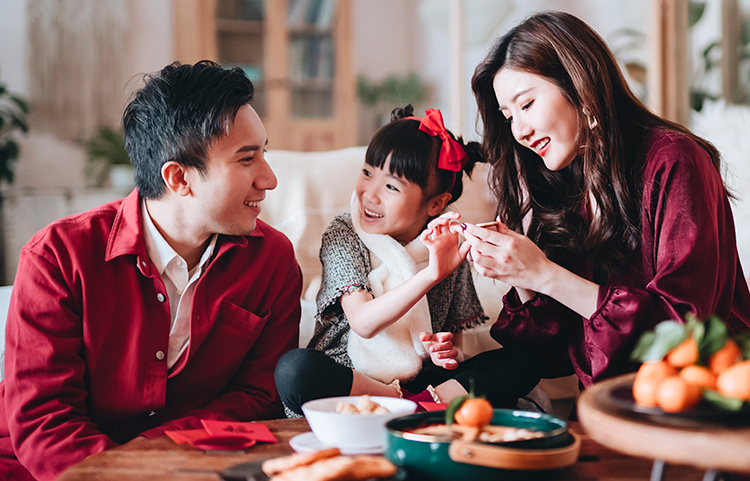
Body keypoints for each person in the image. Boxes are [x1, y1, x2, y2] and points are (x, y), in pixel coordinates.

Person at [0, 60, 302, 480]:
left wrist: (156, 452)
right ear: (179, 178)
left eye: (264, 153)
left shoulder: (272, 260)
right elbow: (45, 421)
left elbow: (257, 395)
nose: (268, 179)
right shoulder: (56, 257)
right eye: (247, 159)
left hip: (191, 464)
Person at [465, 11, 750, 388]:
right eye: (508, 116)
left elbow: (681, 333)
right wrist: (522, 276)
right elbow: (549, 356)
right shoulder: (564, 179)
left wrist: (544, 274)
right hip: (609, 406)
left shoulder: (675, 160)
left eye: (527, 104)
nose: (519, 130)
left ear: (579, 84)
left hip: (704, 399)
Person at [275, 105, 543, 416]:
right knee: (295, 370)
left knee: (525, 360)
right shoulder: (344, 232)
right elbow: (362, 322)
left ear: (436, 203)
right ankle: (408, 407)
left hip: (425, 381)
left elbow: (453, 345)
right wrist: (430, 274)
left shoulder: (448, 245)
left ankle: (412, 406)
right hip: (351, 377)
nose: (370, 195)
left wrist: (446, 352)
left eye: (391, 186)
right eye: (367, 173)